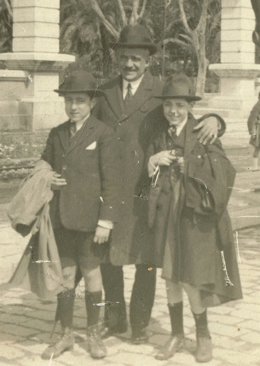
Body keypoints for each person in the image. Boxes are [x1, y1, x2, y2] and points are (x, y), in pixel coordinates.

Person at [94, 24, 227, 344]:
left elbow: (185, 112)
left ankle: (139, 325)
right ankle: (115, 319)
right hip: (111, 191)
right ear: (118, 58)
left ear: (147, 60)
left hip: (145, 191)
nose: (129, 64)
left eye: (136, 59)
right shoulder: (105, 92)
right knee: (109, 260)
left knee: (146, 262)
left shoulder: (160, 91)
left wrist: (217, 121)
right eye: (125, 57)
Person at [145, 74, 242, 362]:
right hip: (165, 214)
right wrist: (153, 161)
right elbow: (143, 178)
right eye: (168, 106)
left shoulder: (202, 132)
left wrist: (193, 165)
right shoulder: (159, 135)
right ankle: (176, 334)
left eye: (179, 105)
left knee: (191, 278)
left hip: (192, 215)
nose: (173, 111)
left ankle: (203, 335)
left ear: (189, 107)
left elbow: (225, 169)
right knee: (170, 277)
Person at [40, 70, 120, 360]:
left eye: (80, 101)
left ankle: (94, 333)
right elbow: (43, 166)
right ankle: (64, 334)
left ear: (91, 103)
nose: (74, 107)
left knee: (92, 273)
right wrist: (49, 177)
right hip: (62, 217)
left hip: (90, 221)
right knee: (66, 274)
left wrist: (106, 221)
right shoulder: (57, 133)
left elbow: (112, 181)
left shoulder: (102, 133)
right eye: (69, 101)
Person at [247, 92, 260, 170]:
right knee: (257, 148)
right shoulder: (258, 106)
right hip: (258, 129)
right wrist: (253, 131)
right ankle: (255, 166)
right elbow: (251, 119)